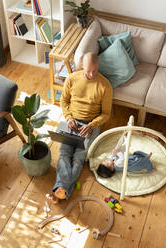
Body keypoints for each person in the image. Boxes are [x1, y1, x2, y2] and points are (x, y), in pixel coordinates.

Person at [47, 52, 113, 204]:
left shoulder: (105, 85)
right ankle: (62, 190)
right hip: (73, 122)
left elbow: (106, 114)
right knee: (64, 153)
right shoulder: (71, 79)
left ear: (97, 66)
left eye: (95, 70)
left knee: (78, 158)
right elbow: (63, 101)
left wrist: (91, 125)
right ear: (82, 65)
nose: (91, 74)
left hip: (90, 124)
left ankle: (59, 190)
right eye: (88, 70)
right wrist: (69, 118)